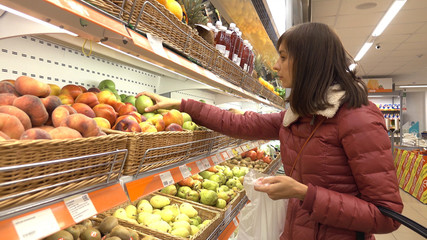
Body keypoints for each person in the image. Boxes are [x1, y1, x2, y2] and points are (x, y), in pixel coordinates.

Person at [137, 22, 403, 240]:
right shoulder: (301, 115)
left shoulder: (358, 120)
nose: (276, 66)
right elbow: (241, 124)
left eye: (284, 57)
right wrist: (184, 105)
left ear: (309, 62)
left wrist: (304, 193)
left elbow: (387, 216)